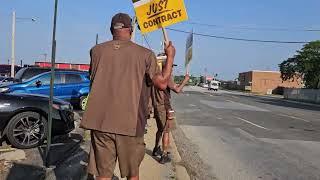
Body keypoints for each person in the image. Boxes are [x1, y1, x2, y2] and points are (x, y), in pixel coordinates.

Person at [80, 13, 176, 180]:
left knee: (103, 174)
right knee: (133, 174)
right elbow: (161, 83)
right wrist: (170, 57)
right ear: (131, 30)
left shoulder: (95, 51)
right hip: (130, 125)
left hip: (101, 123)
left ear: (111, 30)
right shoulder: (145, 54)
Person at [152, 63, 190, 164]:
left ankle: (156, 149)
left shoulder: (155, 76)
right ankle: (164, 155)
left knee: (160, 129)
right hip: (165, 107)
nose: (172, 68)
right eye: (171, 66)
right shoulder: (166, 77)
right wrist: (185, 81)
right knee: (166, 131)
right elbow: (177, 90)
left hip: (157, 106)